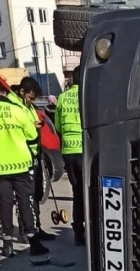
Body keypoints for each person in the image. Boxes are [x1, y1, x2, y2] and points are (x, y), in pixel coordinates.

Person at [0, 78, 50, 259]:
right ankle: (33, 242)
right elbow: (31, 135)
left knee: (4, 205)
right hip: (20, 164)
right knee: (26, 203)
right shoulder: (17, 110)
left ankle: (7, 246)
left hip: (0, 168)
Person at [12, 78, 55, 242]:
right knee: (24, 196)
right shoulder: (16, 106)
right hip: (22, 155)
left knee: (36, 193)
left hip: (34, 152)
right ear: (22, 92)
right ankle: (25, 230)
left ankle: (36, 227)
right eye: (30, 98)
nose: (31, 101)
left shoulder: (27, 106)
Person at [55, 66, 85, 244]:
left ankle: (78, 233)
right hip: (87, 150)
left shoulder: (62, 98)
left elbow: (58, 126)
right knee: (90, 191)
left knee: (77, 192)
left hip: (69, 152)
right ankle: (92, 227)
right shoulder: (88, 95)